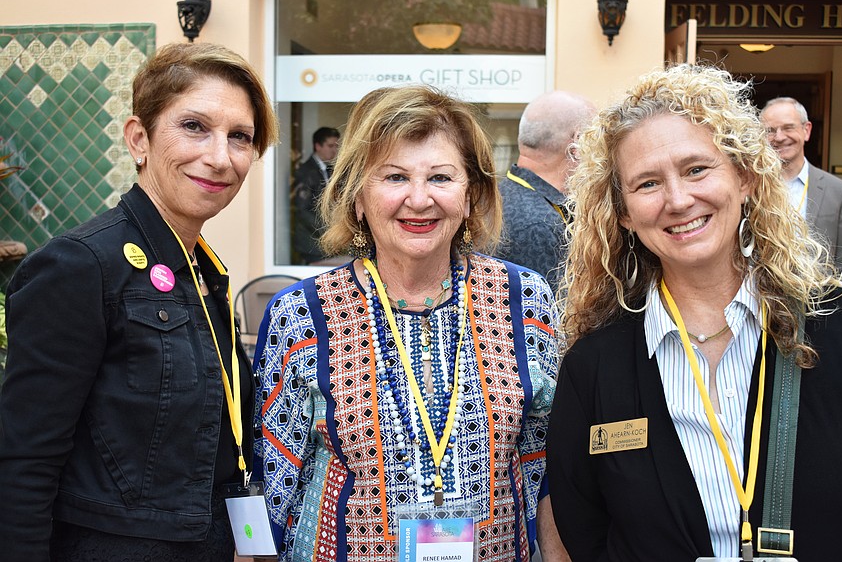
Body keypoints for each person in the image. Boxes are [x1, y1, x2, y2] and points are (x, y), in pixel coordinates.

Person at [546, 64, 842, 561]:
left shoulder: (838, 325)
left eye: (696, 169)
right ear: (623, 213)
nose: (678, 200)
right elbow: (584, 530)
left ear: (746, 176)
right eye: (647, 184)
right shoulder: (595, 365)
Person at [254, 85, 566, 561]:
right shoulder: (301, 314)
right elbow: (270, 484)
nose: (419, 200)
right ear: (357, 197)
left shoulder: (524, 300)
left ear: (469, 197)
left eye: (441, 178)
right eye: (395, 177)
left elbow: (546, 468)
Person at [0, 42, 278, 561]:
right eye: (194, 126)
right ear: (139, 138)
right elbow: (23, 464)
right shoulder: (80, 266)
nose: (220, 157)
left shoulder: (199, 269)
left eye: (239, 137)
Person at [493, 91, 594, 294]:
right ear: (577, 144)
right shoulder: (540, 226)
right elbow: (559, 319)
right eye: (596, 137)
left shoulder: (503, 195)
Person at [760, 96, 842, 269]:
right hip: (762, 292)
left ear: (806, 130)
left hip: (820, 293)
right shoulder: (751, 186)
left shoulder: (840, 192)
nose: (779, 137)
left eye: (788, 128)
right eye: (770, 130)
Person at [292, 126, 341, 263]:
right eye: (330, 146)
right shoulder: (305, 171)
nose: (334, 150)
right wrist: (326, 230)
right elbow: (302, 210)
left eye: (336, 146)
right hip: (312, 243)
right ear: (318, 146)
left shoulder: (329, 169)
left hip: (326, 241)